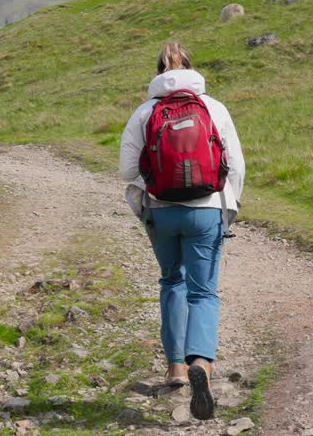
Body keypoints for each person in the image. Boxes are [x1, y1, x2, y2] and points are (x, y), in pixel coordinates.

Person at [119, 42, 245, 421]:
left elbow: (128, 171)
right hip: (207, 211)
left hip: (161, 211)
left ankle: (175, 368)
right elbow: (235, 165)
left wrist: (145, 205)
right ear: (193, 69)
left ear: (158, 72)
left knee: (172, 281)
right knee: (203, 291)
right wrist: (227, 211)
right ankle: (201, 364)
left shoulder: (145, 112)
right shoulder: (213, 108)